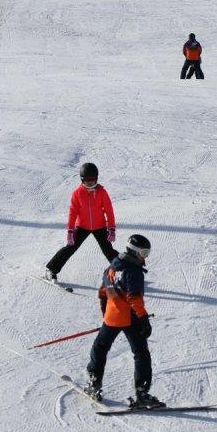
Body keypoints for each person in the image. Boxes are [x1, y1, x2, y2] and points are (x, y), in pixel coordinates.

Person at [84, 234, 164, 408]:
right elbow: (134, 298)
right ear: (135, 252)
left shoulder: (112, 266)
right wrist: (143, 319)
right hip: (131, 318)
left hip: (112, 317)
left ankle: (94, 384)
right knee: (141, 353)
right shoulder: (133, 271)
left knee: (100, 348)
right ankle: (142, 393)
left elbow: (103, 292)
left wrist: (106, 313)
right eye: (144, 252)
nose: (145, 256)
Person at [45, 163, 118, 282]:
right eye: (87, 180)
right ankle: (51, 270)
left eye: (93, 180)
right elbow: (72, 213)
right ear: (82, 179)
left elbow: (109, 211)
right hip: (82, 226)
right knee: (70, 248)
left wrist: (111, 228)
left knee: (108, 251)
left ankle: (127, 271)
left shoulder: (102, 192)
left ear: (96, 178)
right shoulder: (77, 193)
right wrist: (70, 230)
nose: (90, 183)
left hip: (99, 226)